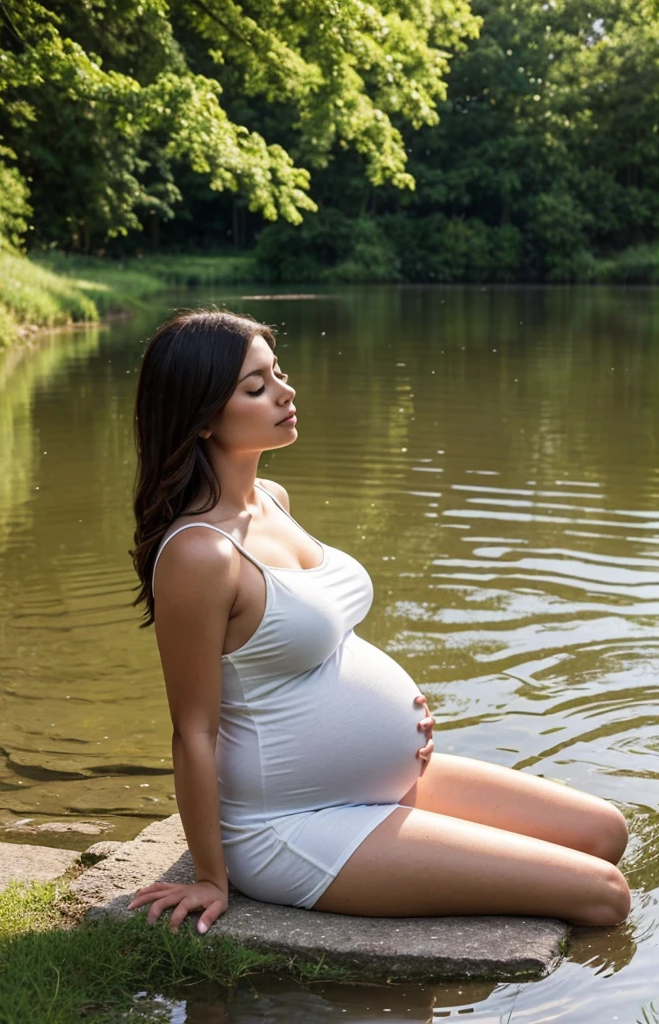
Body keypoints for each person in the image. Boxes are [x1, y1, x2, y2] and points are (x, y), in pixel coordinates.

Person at [127, 309, 631, 936]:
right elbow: (194, 733)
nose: (285, 393)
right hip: (292, 823)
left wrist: (391, 711)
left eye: (278, 373)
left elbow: (312, 636)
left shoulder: (274, 502)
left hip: (377, 784)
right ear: (200, 417)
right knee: (605, 895)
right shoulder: (200, 554)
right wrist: (209, 875)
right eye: (255, 387)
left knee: (604, 832)